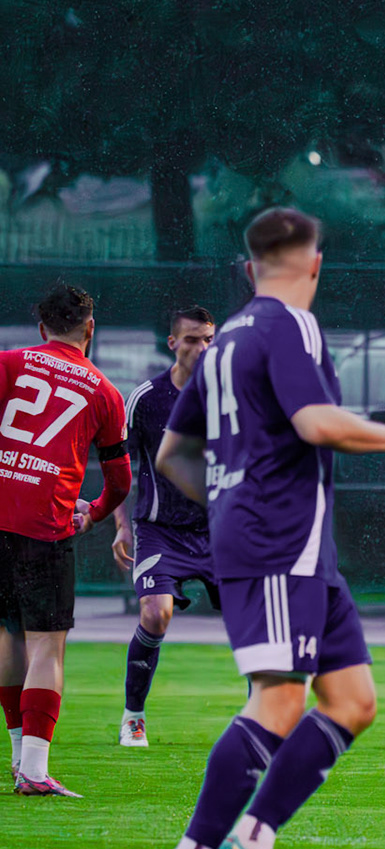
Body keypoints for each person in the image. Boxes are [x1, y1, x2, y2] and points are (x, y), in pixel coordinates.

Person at [151, 208, 385, 849]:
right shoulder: (292, 326)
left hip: (294, 543)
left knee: (352, 701)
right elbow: (315, 424)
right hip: (277, 540)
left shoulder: (225, 339)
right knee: (280, 698)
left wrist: (226, 499)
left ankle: (254, 844)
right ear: (314, 264)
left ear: (248, 265)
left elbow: (173, 454)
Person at [0, 284, 132, 797]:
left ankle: (18, 756)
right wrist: (95, 514)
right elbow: (119, 481)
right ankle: (34, 770)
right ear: (89, 328)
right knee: (46, 646)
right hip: (46, 526)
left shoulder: (8, 364)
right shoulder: (104, 391)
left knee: (9, 636)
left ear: (41, 329)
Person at [111, 306, 219, 748]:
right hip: (159, 530)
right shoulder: (145, 399)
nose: (202, 348)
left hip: (220, 532)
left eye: (210, 339)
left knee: (259, 622)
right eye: (193, 339)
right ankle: (133, 717)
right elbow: (120, 468)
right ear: (173, 343)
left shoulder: (232, 397)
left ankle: (264, 725)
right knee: (156, 614)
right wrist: (121, 526)